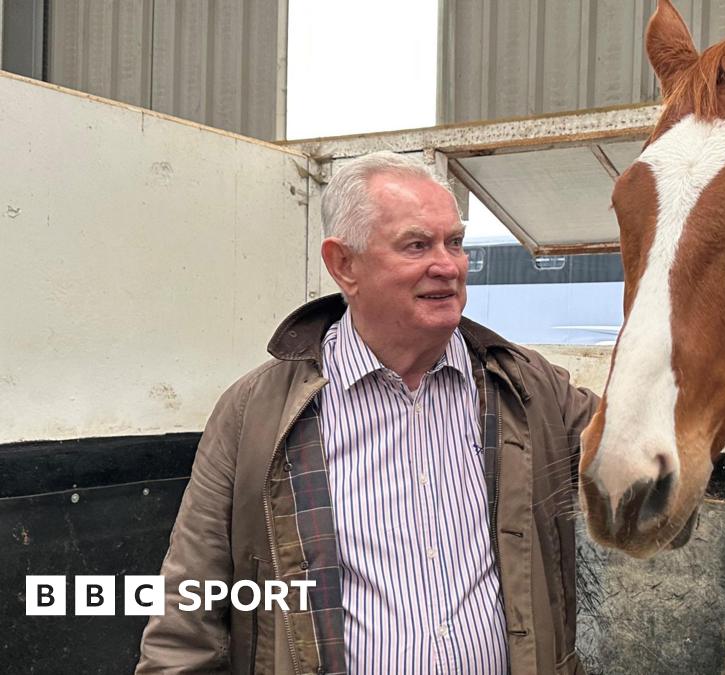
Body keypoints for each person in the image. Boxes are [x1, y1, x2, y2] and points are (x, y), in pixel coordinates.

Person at [137, 151, 598, 674]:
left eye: (455, 242)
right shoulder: (255, 412)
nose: (448, 265)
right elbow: (188, 603)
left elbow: (647, 460)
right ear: (344, 265)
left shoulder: (527, 387)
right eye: (417, 245)